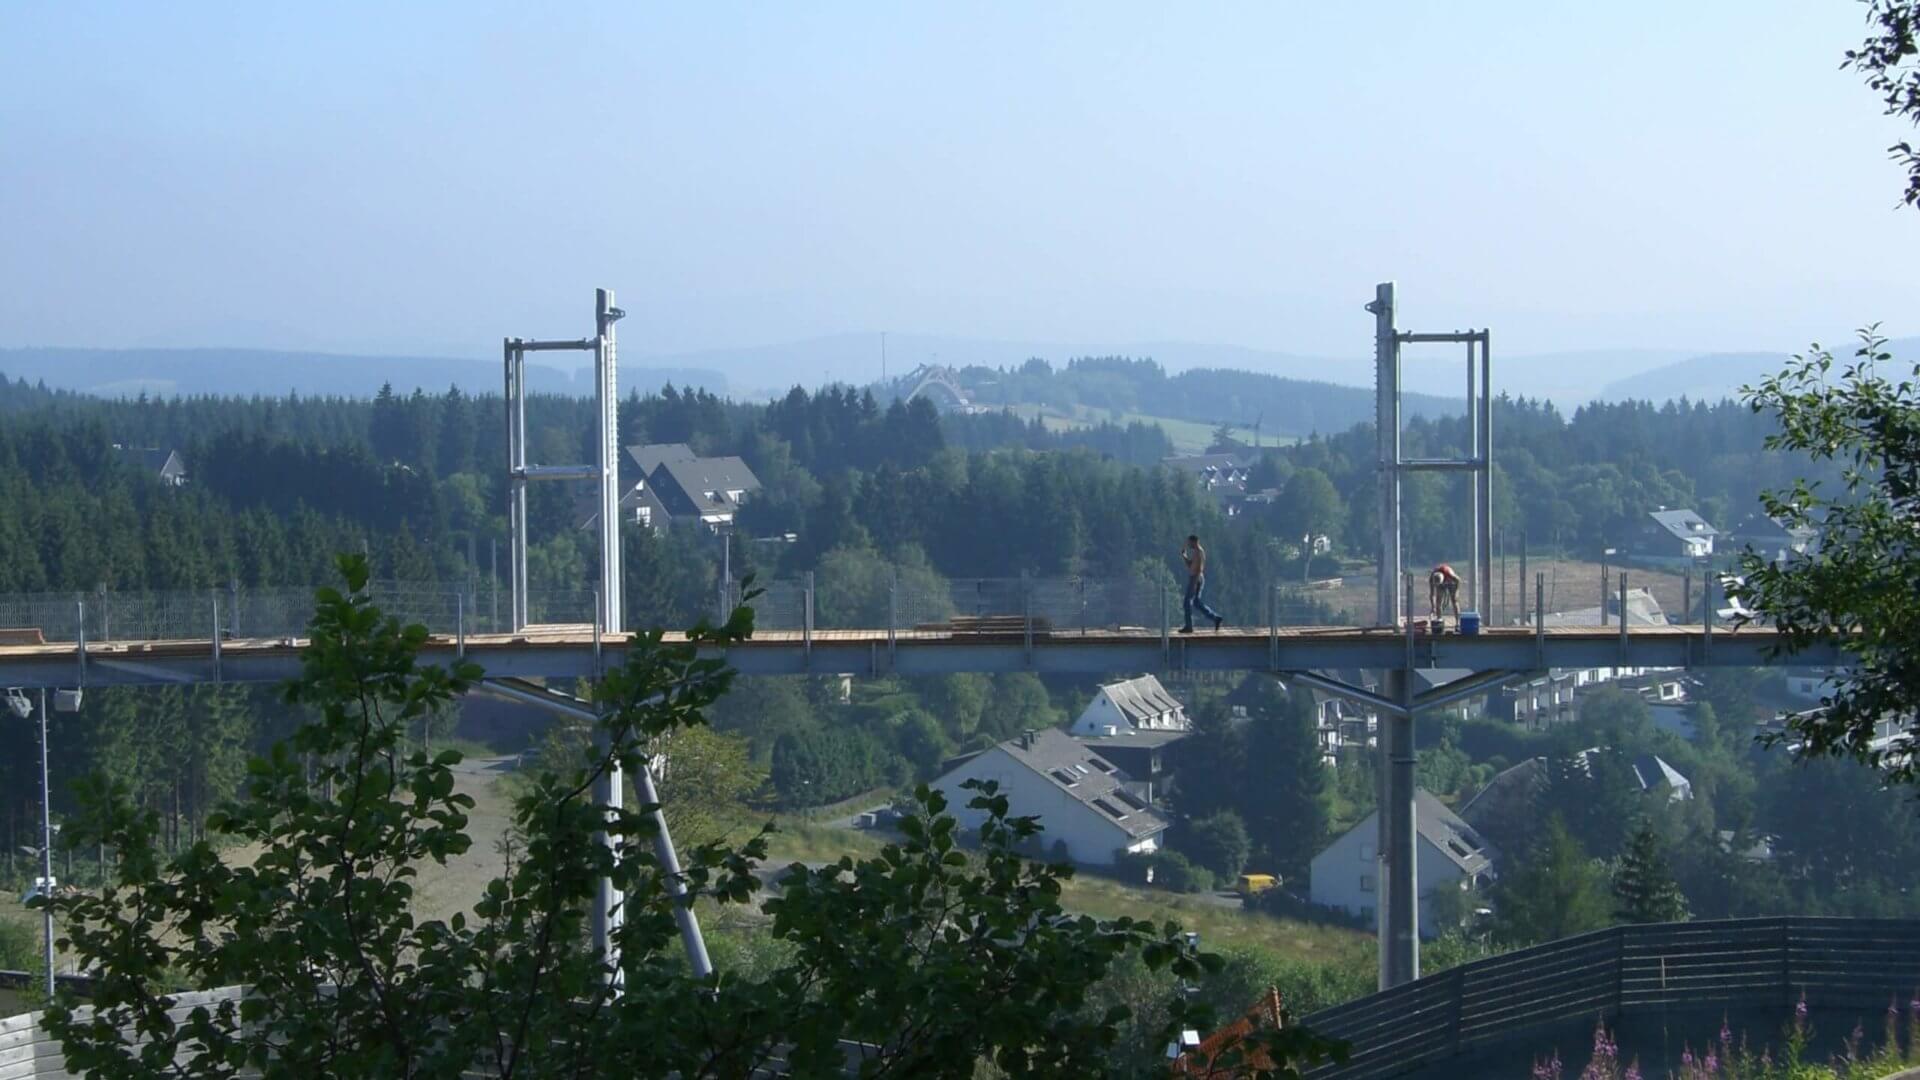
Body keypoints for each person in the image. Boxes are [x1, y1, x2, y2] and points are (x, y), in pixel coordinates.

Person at [1180, 534, 1224, 634]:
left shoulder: (1199, 552)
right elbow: (1190, 565)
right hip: (1195, 578)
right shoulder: (1196, 552)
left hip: (1196, 579)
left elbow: (1199, 568)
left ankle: (1189, 626)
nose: (1189, 544)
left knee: (1187, 602)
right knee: (1196, 603)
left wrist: (1195, 582)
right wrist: (1184, 556)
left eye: (1190, 542)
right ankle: (1215, 618)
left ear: (1194, 541)